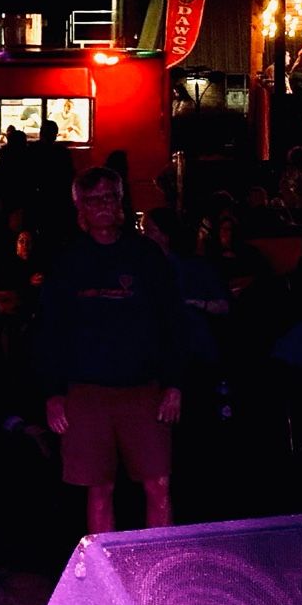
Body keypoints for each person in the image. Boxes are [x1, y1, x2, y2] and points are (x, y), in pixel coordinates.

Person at [38, 168, 186, 533]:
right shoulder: (67, 260)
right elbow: (49, 330)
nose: (102, 206)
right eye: (93, 200)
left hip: (144, 389)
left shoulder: (147, 256)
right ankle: (104, 573)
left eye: (109, 198)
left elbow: (173, 323)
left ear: (121, 203)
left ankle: (157, 564)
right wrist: (53, 393)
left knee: (159, 482)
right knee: (98, 488)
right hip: (87, 391)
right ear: (80, 209)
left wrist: (174, 383)